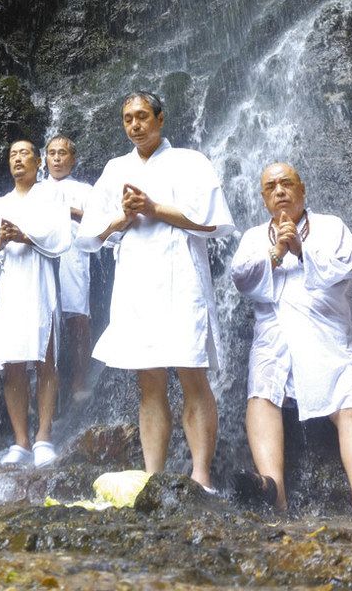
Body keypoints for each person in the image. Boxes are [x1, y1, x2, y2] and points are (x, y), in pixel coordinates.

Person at [76, 92, 234, 488]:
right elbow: (91, 234)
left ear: (160, 119)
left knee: (191, 373)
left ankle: (201, 477)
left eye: (142, 116)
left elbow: (211, 221)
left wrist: (153, 207)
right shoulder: (115, 169)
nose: (135, 124)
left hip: (182, 278)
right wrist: (123, 216)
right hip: (136, 283)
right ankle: (153, 478)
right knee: (148, 380)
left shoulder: (190, 162)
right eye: (128, 118)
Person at [230, 162, 352, 517]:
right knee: (262, 396)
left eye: (286, 183)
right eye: (271, 187)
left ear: (302, 188)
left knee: (351, 410)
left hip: (328, 331)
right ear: (264, 198)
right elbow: (241, 279)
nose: (279, 191)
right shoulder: (254, 236)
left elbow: (350, 267)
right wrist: (276, 253)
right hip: (274, 334)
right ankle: (273, 491)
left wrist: (301, 250)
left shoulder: (331, 226)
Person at [0, 140, 71, 468]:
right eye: (12, 155)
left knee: (46, 357)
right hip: (10, 284)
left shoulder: (52, 196)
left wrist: (25, 236)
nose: (18, 159)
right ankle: (21, 441)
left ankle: (44, 435)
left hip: (39, 280)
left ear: (38, 161)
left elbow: (60, 237)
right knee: (11, 362)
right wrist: (1, 240)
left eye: (24, 154)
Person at [44, 135, 94, 401]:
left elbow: (101, 222)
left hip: (74, 258)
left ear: (73, 159)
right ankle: (43, 388)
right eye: (51, 153)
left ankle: (78, 382)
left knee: (78, 320)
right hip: (41, 259)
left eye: (62, 153)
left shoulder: (86, 190)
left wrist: (72, 212)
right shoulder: (36, 189)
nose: (56, 158)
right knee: (44, 323)